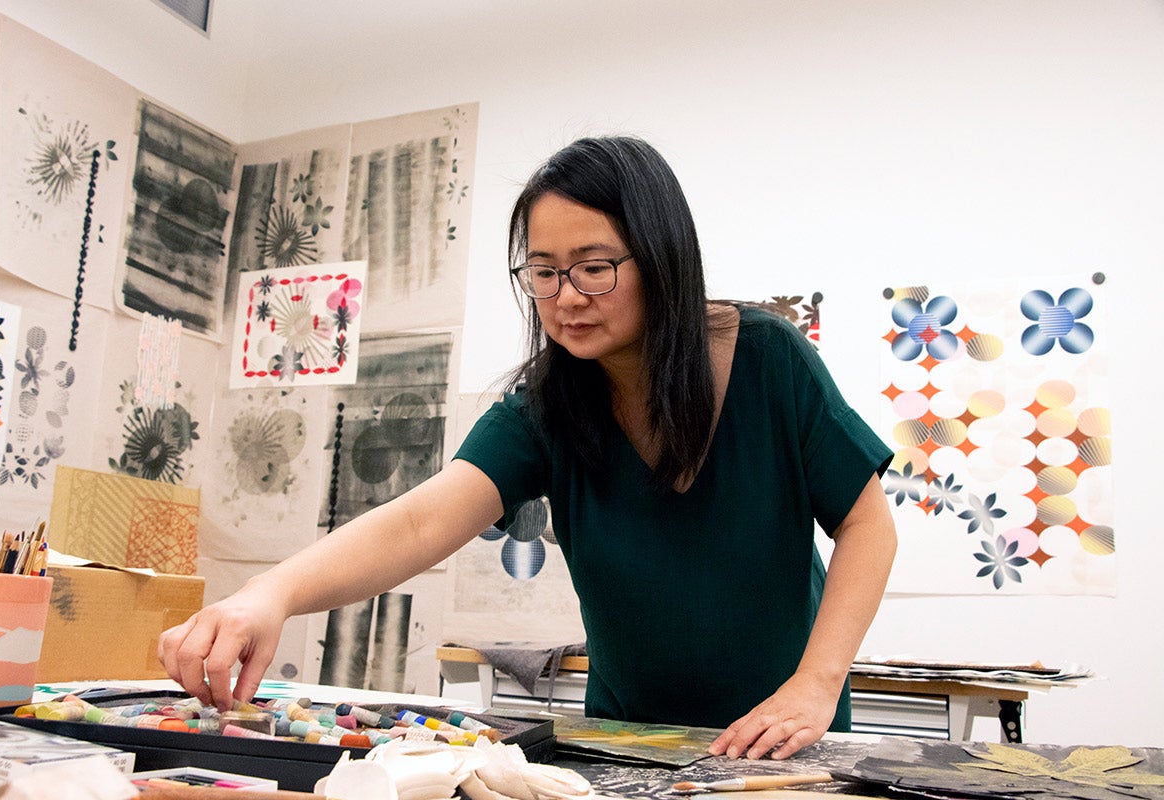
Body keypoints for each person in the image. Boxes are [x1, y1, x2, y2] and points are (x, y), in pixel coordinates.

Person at [159, 135, 897, 761]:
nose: (566, 296)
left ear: (663, 260)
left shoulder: (768, 359)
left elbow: (867, 525)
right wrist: (269, 595)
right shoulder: (544, 406)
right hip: (629, 739)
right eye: (543, 271)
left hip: (783, 737)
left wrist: (817, 683)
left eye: (595, 266)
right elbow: (421, 523)